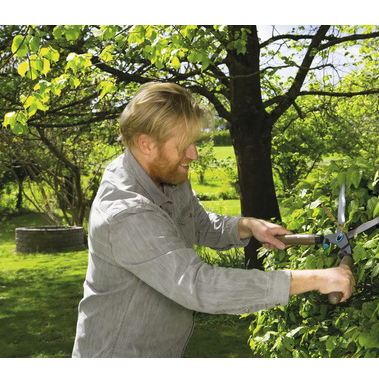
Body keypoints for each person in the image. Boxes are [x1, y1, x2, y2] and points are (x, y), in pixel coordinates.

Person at [72, 82, 354, 358]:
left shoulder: (165, 173)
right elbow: (199, 286)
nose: (193, 155)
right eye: (183, 145)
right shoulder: (125, 213)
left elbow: (200, 225)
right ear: (146, 144)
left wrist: (247, 226)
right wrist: (316, 278)